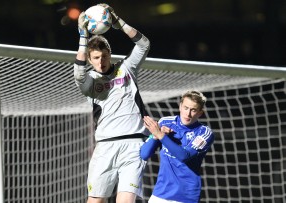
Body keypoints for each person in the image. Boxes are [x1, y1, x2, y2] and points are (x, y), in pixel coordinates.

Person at [73, 3, 150, 203]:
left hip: (133, 146)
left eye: (104, 56)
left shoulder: (127, 69)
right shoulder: (90, 81)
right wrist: (83, 36)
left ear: (110, 53)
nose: (101, 61)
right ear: (90, 60)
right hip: (105, 147)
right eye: (96, 58)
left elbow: (144, 44)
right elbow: (78, 74)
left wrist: (118, 22)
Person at [140, 90, 215, 203]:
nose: (188, 113)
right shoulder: (166, 122)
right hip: (160, 193)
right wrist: (155, 136)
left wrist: (160, 135)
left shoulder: (204, 133)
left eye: (193, 110)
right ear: (180, 107)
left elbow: (184, 156)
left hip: (186, 196)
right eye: (185, 108)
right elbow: (144, 154)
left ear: (200, 113)